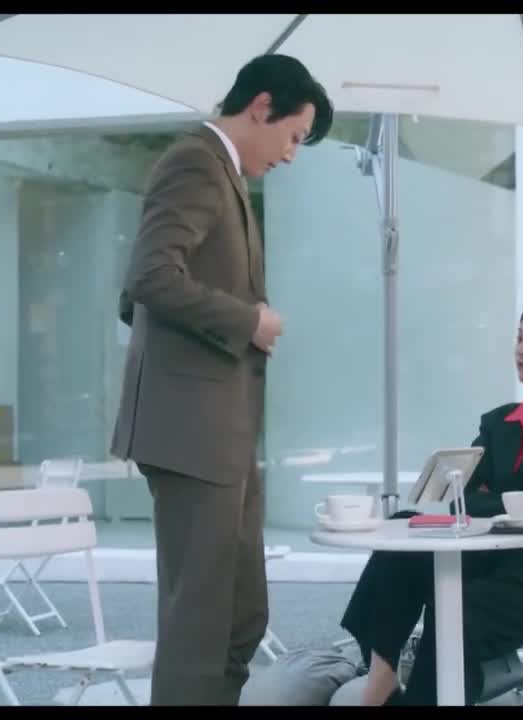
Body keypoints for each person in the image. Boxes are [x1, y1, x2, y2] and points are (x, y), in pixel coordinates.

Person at [109, 54, 334, 706]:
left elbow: (137, 299)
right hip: (191, 434)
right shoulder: (194, 162)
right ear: (262, 107)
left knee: (240, 617)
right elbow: (148, 278)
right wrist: (247, 321)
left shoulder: (223, 174)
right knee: (200, 626)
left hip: (221, 433)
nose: (291, 154)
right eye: (294, 135)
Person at [340, 298, 523, 706]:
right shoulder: (498, 422)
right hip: (498, 558)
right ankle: (380, 681)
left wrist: (494, 500)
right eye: (519, 338)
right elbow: (462, 499)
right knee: (405, 538)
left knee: (458, 607)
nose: (521, 350)